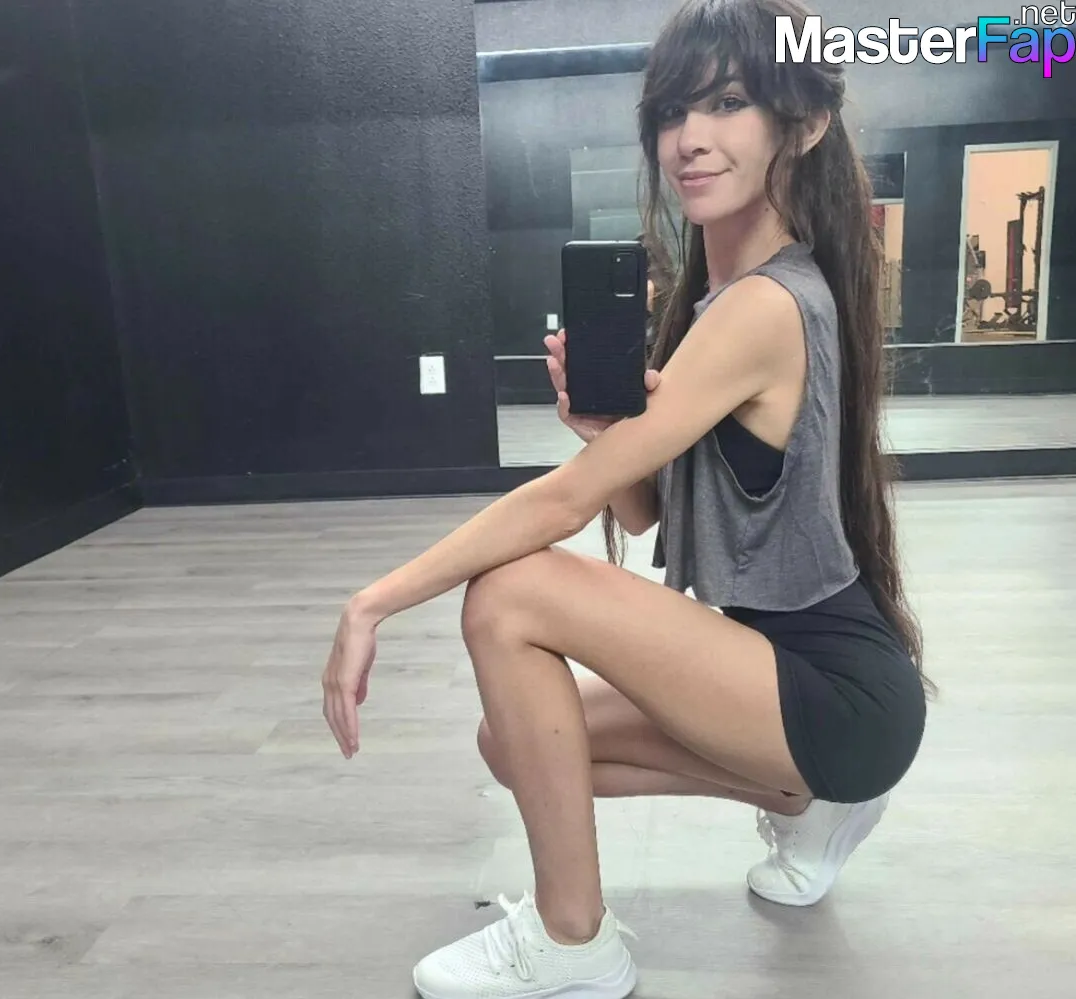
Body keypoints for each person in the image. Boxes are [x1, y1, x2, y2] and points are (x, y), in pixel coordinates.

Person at [320, 0, 930, 996]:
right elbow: (652, 519)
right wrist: (611, 437)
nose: (689, 138)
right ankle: (813, 800)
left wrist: (371, 602)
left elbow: (565, 509)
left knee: (509, 593)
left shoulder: (763, 305)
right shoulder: (728, 300)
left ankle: (573, 944)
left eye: (727, 104)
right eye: (672, 111)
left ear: (804, 123)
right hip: (805, 683)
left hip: (831, 691)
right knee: (515, 743)